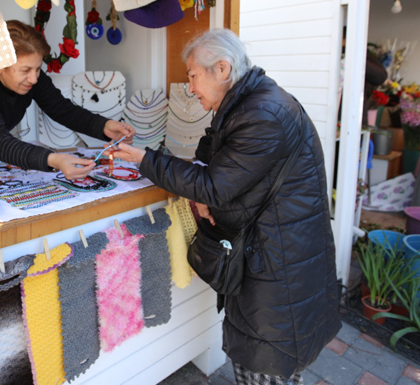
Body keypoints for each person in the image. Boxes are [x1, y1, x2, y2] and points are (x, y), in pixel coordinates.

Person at [113, 29, 340, 384]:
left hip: (279, 270)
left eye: (192, 76)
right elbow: (218, 169)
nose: (190, 88)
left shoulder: (262, 114)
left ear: (222, 68)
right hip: (277, 258)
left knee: (265, 366)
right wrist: (203, 195)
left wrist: (146, 161)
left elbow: (216, 185)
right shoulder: (250, 104)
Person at [0, 20, 134, 180]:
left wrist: (104, 126)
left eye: (38, 68)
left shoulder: (33, 78)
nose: (33, 78)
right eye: (25, 70)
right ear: (0, 66)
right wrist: (53, 160)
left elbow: (62, 109)